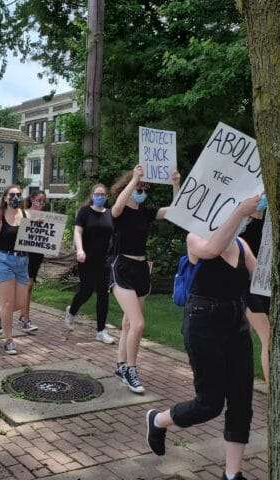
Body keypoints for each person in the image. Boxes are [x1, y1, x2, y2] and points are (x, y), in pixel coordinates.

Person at [145, 194, 261, 480]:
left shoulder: (242, 244)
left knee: (241, 401)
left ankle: (233, 475)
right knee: (209, 404)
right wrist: (239, 211)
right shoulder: (196, 236)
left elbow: (260, 277)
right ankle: (158, 420)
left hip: (236, 325)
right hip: (203, 324)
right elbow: (210, 250)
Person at [110, 165, 180, 393]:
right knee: (138, 324)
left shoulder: (145, 211)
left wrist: (176, 184)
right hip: (122, 267)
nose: (142, 190)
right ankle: (131, 369)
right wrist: (134, 178)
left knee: (129, 323)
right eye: (139, 187)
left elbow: (176, 210)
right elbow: (118, 206)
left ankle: (120, 365)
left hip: (141, 268)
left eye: (144, 187)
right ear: (129, 186)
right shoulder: (120, 210)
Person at [0, 185, 30, 355]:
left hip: (22, 262)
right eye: (12, 195)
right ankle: (9, 340)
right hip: (3, 261)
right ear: (5, 198)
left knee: (21, 303)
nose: (16, 197)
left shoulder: (26, 215)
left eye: (18, 194)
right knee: (8, 303)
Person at [65, 183, 115, 344]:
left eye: (103, 194)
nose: (100, 197)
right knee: (86, 290)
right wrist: (80, 249)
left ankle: (101, 331)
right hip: (86, 258)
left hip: (105, 260)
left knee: (103, 294)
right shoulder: (85, 212)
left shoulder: (110, 213)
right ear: (92, 195)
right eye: (97, 194)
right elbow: (78, 231)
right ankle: (72, 311)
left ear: (106, 197)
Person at [240, 196, 270, 384]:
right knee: (268, 338)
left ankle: (236, 376)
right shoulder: (241, 227)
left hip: (266, 287)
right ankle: (274, 392)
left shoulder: (268, 224)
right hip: (247, 288)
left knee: (242, 336)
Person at [17, 191, 47, 333]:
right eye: (38, 200)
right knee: (27, 286)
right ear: (32, 199)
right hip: (24, 253)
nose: (40, 203)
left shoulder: (46, 217)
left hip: (37, 254)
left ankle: (23, 315)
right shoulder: (23, 213)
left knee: (29, 286)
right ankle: (25, 319)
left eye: (43, 201)